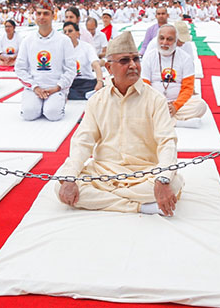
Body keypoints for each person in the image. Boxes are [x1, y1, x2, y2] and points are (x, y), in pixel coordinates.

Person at [57, 31, 182, 216]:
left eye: (136, 59)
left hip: (144, 173)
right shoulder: (97, 100)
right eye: (124, 61)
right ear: (109, 67)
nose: (133, 65)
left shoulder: (156, 99)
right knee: (61, 186)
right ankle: (140, 207)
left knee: (174, 183)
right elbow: (83, 142)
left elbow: (167, 142)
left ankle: (109, 200)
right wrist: (70, 177)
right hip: (103, 172)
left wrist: (161, 180)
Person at [15, 0, 76, 121]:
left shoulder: (64, 40)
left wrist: (58, 87)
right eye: (39, 13)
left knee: (53, 114)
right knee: (28, 114)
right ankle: (36, 103)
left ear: (53, 16)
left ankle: (58, 101)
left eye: (46, 13)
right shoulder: (27, 40)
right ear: (34, 16)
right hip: (33, 88)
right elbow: (20, 68)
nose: (42, 17)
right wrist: (34, 87)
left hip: (56, 88)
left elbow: (71, 69)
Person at [141, 24, 207, 124]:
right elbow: (144, 85)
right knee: (135, 104)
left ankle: (159, 119)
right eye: (161, 38)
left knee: (200, 106)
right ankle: (174, 121)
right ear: (157, 39)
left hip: (177, 102)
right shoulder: (149, 57)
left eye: (169, 39)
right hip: (153, 102)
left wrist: (176, 106)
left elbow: (188, 87)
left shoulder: (185, 58)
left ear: (176, 41)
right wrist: (156, 103)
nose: (164, 42)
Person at [62, 21, 104, 100]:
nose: (67, 34)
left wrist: (100, 81)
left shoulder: (87, 47)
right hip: (70, 83)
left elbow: (95, 64)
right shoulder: (60, 49)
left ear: (77, 33)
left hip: (86, 82)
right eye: (65, 32)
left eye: (70, 31)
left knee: (102, 91)